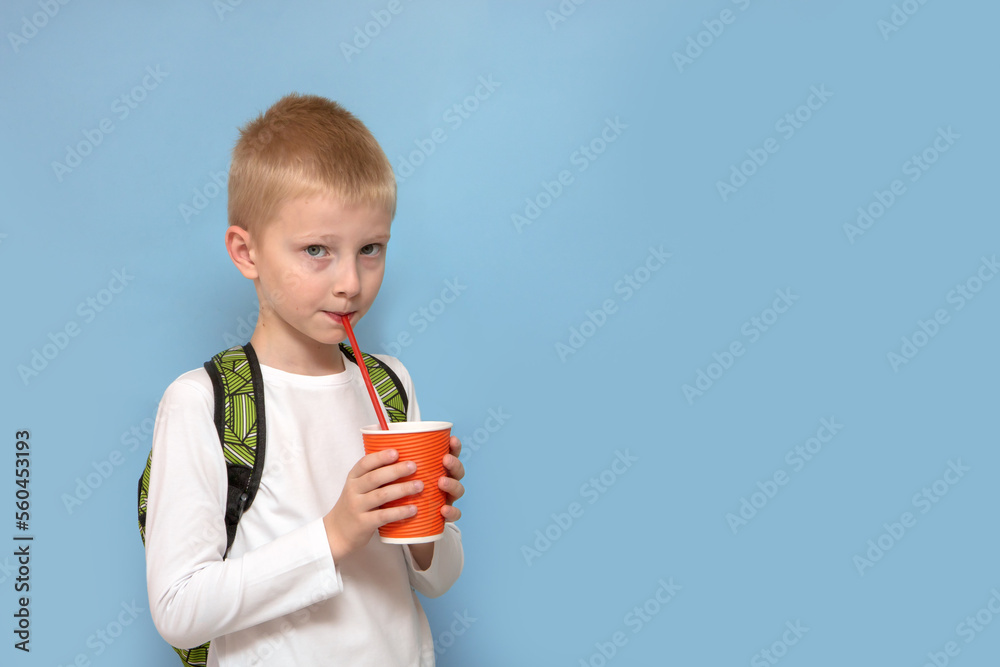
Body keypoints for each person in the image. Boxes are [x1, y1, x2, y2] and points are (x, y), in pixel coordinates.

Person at [143, 93, 465, 666]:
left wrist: (427, 521)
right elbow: (178, 609)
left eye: (371, 249)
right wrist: (334, 534)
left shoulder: (389, 384)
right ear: (247, 252)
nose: (350, 283)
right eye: (317, 250)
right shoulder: (204, 402)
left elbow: (438, 581)